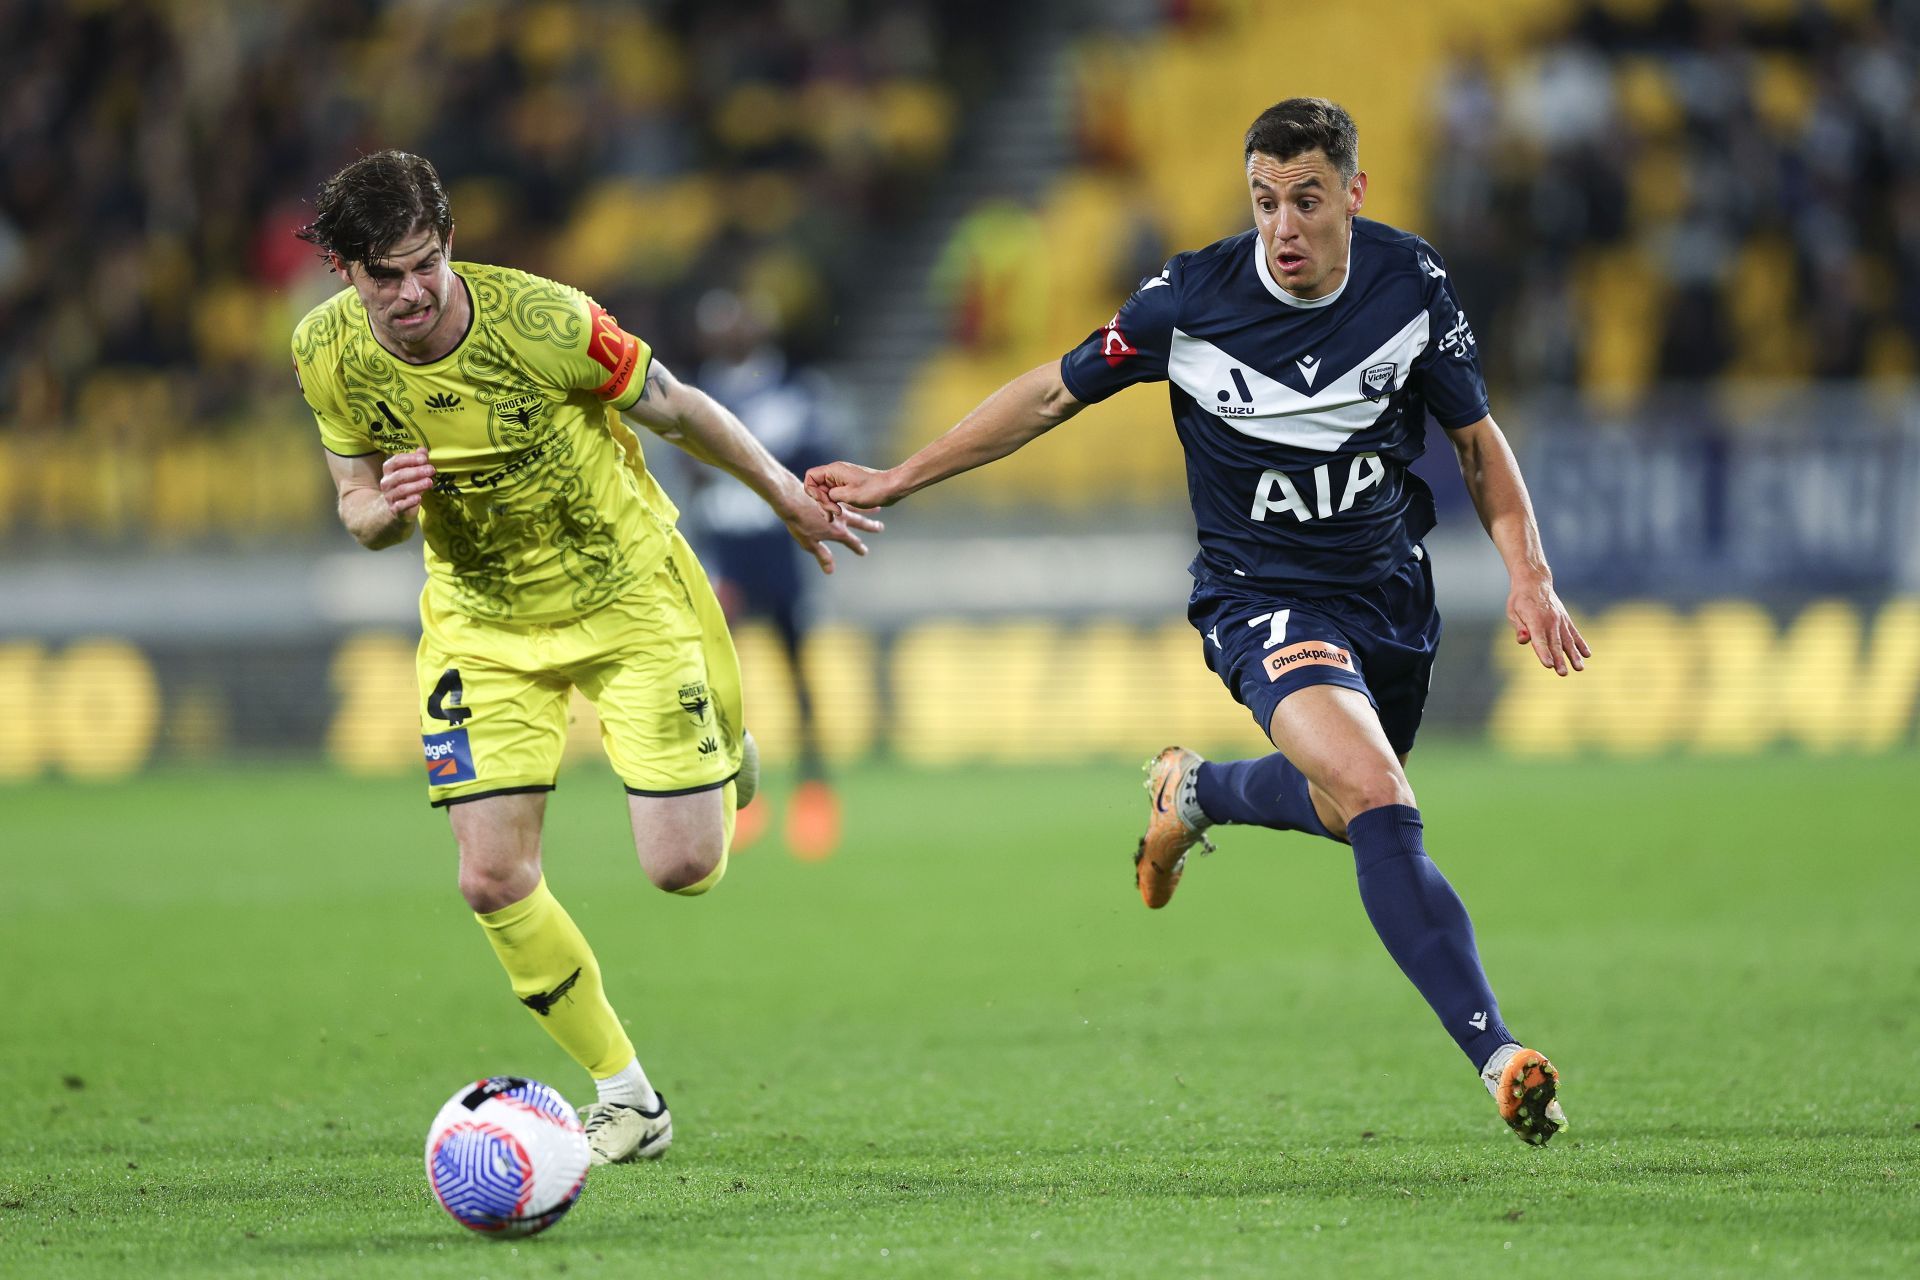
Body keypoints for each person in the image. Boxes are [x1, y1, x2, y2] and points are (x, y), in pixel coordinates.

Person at [807, 100, 1587, 1146]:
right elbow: (1049, 393)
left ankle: (1198, 788)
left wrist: (1529, 574)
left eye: (1307, 200)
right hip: (1260, 595)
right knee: (1373, 789)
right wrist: (899, 476)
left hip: (1389, 597)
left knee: (1355, 800)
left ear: (1353, 193)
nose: (1285, 226)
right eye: (1265, 202)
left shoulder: (1412, 286)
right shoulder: (1189, 300)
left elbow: (1477, 441)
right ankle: (1499, 1054)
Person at [290, 151, 875, 1165]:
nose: (415, 290)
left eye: (426, 262)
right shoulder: (324, 352)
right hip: (481, 625)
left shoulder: (546, 321)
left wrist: (784, 494)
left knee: (684, 866)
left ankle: (725, 741)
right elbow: (355, 503)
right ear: (345, 271)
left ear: (450, 242)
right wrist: (381, 512)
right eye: (386, 274)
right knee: (490, 877)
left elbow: (682, 407)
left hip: (626, 595)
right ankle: (627, 1095)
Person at [681, 289, 846, 859]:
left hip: (778, 551)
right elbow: (691, 478)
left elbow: (819, 459)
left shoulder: (794, 393)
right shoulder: (698, 391)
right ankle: (736, 791)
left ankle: (814, 788)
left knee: (796, 671)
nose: (722, 337)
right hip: (727, 549)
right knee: (721, 678)